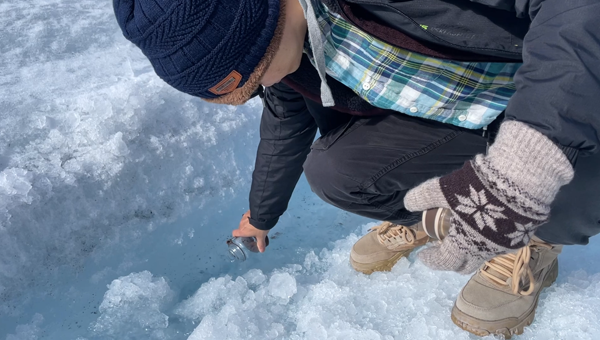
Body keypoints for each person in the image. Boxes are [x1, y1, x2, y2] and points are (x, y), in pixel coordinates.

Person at [113, 0, 600, 337]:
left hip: (571, 102)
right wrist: (259, 216)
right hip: (468, 116)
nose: (264, 87)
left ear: (258, 25)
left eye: (255, 75)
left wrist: (526, 162)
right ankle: (455, 210)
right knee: (335, 170)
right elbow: (284, 126)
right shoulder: (291, 45)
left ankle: (530, 237)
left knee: (557, 173)